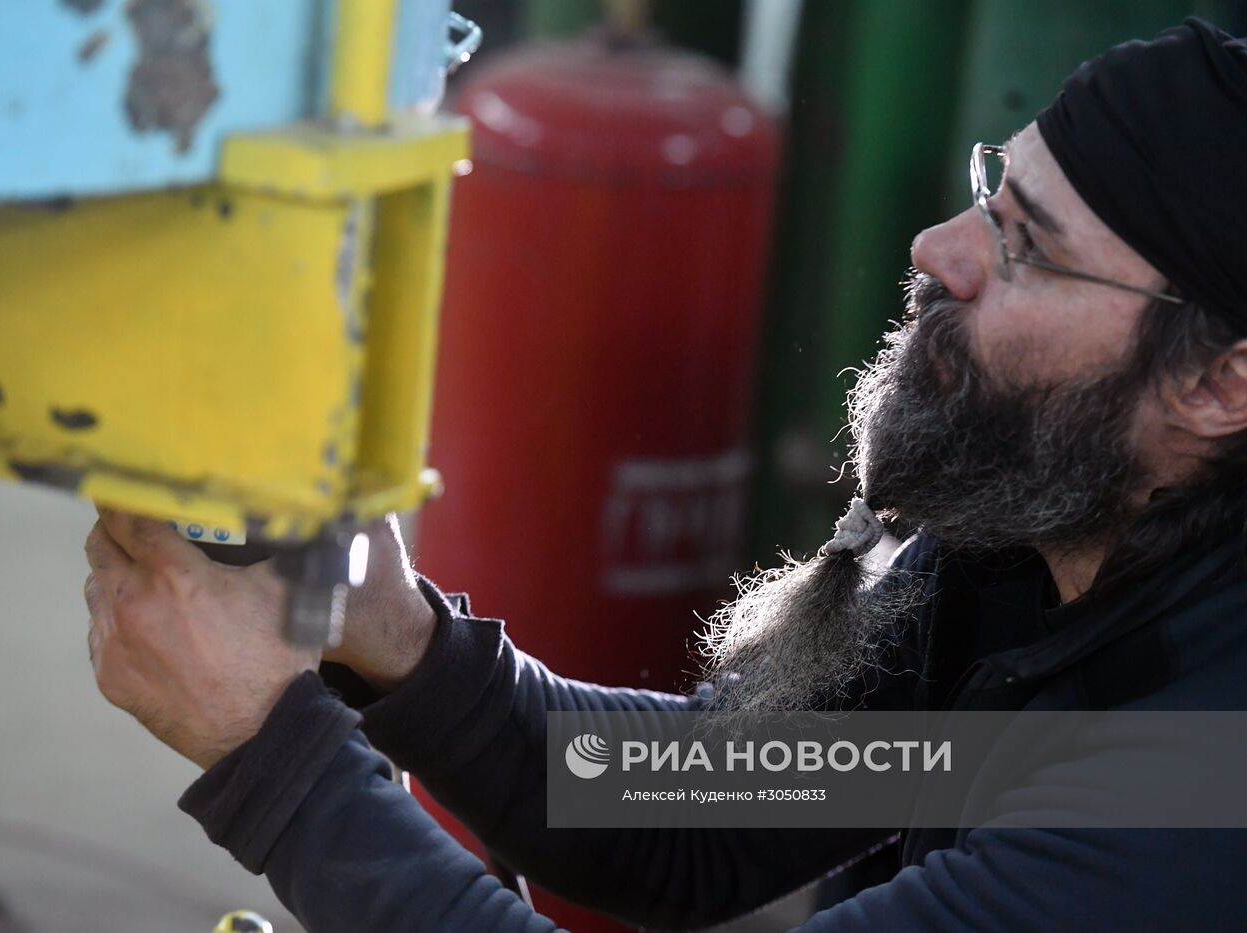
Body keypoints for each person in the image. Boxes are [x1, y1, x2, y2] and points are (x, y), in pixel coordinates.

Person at [82, 19, 1247, 931]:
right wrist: (399, 642)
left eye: (1027, 247)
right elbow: (701, 822)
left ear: (1216, 387)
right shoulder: (1057, 548)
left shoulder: (1195, 793)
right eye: (988, 195)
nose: (938, 251)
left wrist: (276, 762)